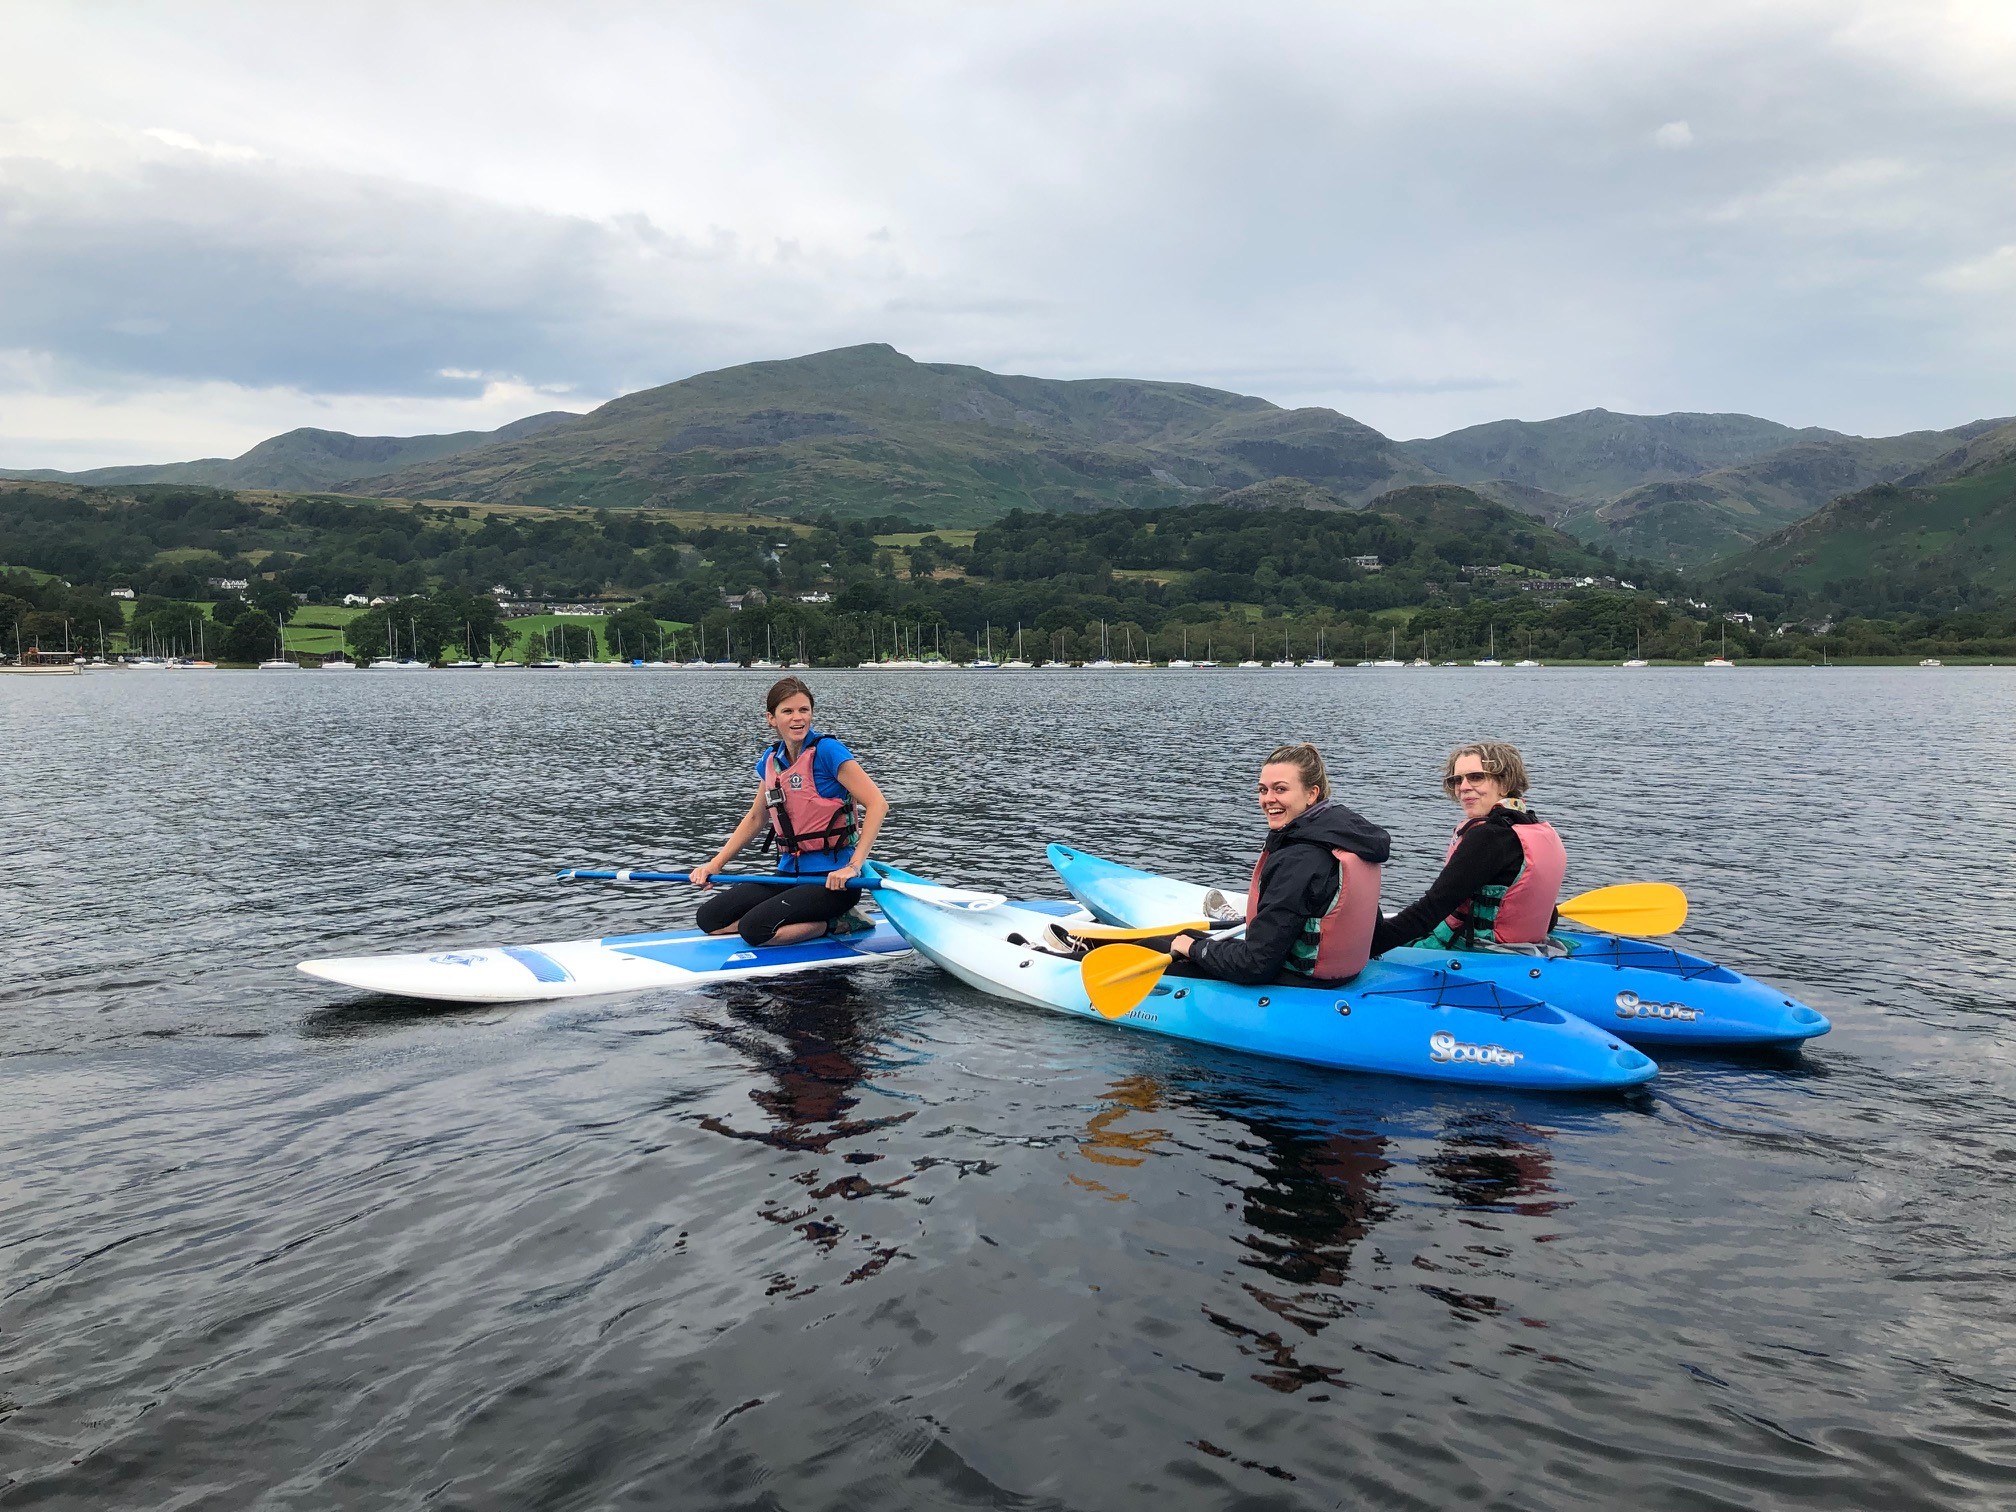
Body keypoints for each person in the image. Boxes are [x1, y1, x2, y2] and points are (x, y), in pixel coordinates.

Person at [1164, 742, 1391, 986]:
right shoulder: (1346, 838)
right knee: (1187, 939)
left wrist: (1195, 950)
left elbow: (1255, 965)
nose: (1268, 799)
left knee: (1169, 946)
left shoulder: (1300, 859)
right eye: (1263, 790)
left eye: (1280, 789)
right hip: (1340, 973)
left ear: (1311, 794)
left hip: (1299, 980)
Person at [689, 675, 890, 946]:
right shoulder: (772, 760)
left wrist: (853, 867)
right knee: (710, 918)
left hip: (834, 882)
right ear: (771, 718)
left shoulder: (828, 751)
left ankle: (839, 921)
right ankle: (786, 918)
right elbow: (756, 818)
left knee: (755, 930)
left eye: (804, 710)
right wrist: (715, 864)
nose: (798, 718)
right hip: (788, 875)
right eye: (788, 711)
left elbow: (878, 804)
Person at [1370, 740, 1565, 956]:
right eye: (1457, 780)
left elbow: (1432, 908)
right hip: (1526, 950)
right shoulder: (1535, 828)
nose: (1463, 787)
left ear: (1504, 782)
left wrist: (1365, 949)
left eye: (1476, 777)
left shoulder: (1488, 837)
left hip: (1480, 952)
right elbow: (1548, 916)